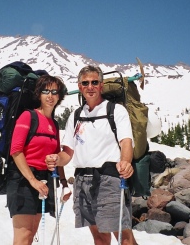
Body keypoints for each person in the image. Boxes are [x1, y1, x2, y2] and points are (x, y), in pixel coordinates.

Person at [46, 65, 138, 245]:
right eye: (85, 83)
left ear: (101, 85)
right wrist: (58, 159)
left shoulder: (116, 111)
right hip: (82, 182)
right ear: (80, 87)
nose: (90, 86)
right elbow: (68, 153)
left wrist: (126, 162)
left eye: (94, 82)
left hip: (109, 179)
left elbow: (126, 142)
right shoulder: (76, 115)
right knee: (99, 238)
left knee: (124, 238)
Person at [7, 75, 71, 245]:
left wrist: (64, 185)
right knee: (23, 237)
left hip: (43, 182)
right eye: (45, 91)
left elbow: (57, 155)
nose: (50, 95)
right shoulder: (28, 116)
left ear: (59, 96)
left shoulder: (54, 124)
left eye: (54, 92)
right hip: (23, 181)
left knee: (31, 234)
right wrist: (33, 181)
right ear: (39, 94)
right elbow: (16, 151)